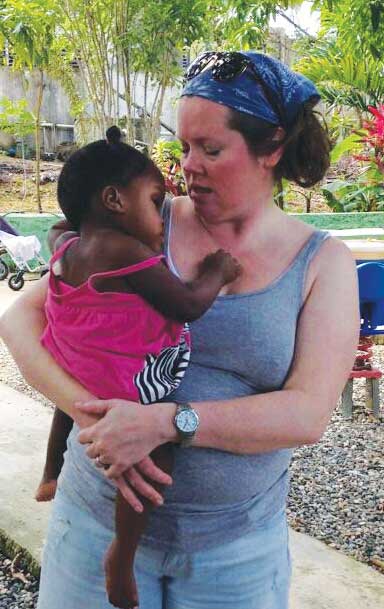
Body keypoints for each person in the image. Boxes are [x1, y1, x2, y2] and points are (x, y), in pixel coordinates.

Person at [0, 51, 359, 609]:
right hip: (94, 529)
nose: (188, 166)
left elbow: (308, 413)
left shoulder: (322, 262)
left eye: (210, 150)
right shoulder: (141, 221)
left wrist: (165, 423)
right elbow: (21, 319)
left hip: (234, 553)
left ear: (273, 148)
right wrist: (97, 417)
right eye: (185, 146)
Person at [33, 124, 240, 608]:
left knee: (75, 403)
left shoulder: (68, 244)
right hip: (125, 377)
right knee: (156, 451)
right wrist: (216, 272)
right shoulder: (120, 249)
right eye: (154, 202)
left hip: (80, 360)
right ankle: (122, 555)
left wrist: (71, 226)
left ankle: (51, 473)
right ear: (114, 200)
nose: (163, 219)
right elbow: (186, 305)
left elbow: (57, 228)